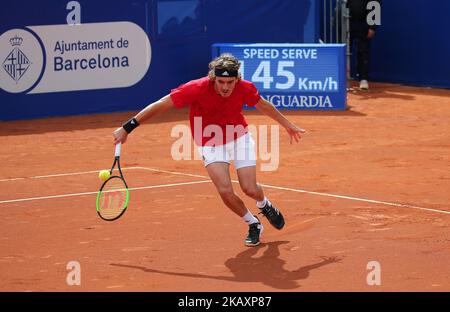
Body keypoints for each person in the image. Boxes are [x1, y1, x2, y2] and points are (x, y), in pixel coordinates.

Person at [112, 54, 305, 247]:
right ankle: (253, 223)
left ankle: (264, 204)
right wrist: (127, 127)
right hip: (210, 143)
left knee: (250, 189)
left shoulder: (245, 88)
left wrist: (288, 125)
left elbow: (264, 106)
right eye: (221, 81)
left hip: (239, 138)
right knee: (225, 192)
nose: (225, 87)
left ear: (236, 79)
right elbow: (162, 104)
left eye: (230, 82)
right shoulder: (196, 88)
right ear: (213, 78)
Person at [348, 0, 380, 90]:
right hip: (347, 22)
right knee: (344, 51)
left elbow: (376, 5)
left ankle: (363, 79)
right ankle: (343, 77)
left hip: (364, 24)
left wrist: (372, 27)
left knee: (363, 51)